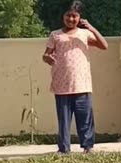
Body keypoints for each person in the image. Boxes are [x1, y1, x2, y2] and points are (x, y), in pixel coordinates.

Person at [42, 1, 108, 154]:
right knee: (64, 120)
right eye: (68, 15)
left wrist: (90, 27)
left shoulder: (84, 34)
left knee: (85, 118)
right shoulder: (55, 35)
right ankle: (64, 149)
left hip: (82, 84)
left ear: (79, 17)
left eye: (74, 16)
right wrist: (48, 58)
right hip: (62, 84)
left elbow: (104, 45)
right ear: (63, 16)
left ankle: (88, 146)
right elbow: (45, 55)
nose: (71, 19)